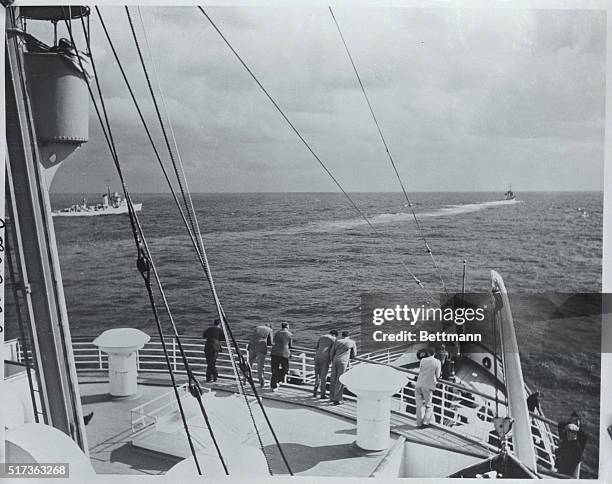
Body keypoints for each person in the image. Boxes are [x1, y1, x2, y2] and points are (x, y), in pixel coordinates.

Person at [415, 347, 441, 428]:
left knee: (419, 405)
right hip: (428, 386)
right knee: (428, 405)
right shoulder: (437, 362)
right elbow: (438, 375)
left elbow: (421, 370)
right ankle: (425, 423)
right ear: (434, 354)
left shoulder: (422, 360)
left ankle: (419, 423)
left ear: (428, 353)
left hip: (419, 384)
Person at [329, 331, 357, 405]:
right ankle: (337, 399)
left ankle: (331, 397)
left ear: (342, 336)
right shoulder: (351, 342)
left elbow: (332, 352)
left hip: (335, 360)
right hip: (343, 362)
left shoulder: (337, 341)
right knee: (340, 380)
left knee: (333, 379)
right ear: (348, 336)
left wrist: (332, 359)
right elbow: (354, 354)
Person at [312, 330, 338, 399]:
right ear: (335, 335)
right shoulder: (333, 339)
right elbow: (333, 350)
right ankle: (322, 394)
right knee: (323, 377)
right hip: (325, 358)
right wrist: (332, 359)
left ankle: (315, 391)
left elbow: (317, 347)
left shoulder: (321, 337)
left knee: (317, 375)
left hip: (317, 356)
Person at [247, 323, 273, 387]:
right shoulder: (269, 330)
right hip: (261, 348)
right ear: (270, 327)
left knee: (249, 363)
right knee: (260, 366)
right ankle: (261, 382)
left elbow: (252, 337)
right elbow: (271, 342)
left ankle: (245, 379)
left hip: (252, 346)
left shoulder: (257, 327)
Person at [270, 323, 293, 391]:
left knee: (274, 370)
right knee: (285, 370)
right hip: (284, 354)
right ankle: (278, 380)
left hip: (274, 353)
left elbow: (274, 341)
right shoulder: (289, 334)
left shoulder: (277, 333)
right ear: (287, 327)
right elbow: (290, 345)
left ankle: (273, 385)